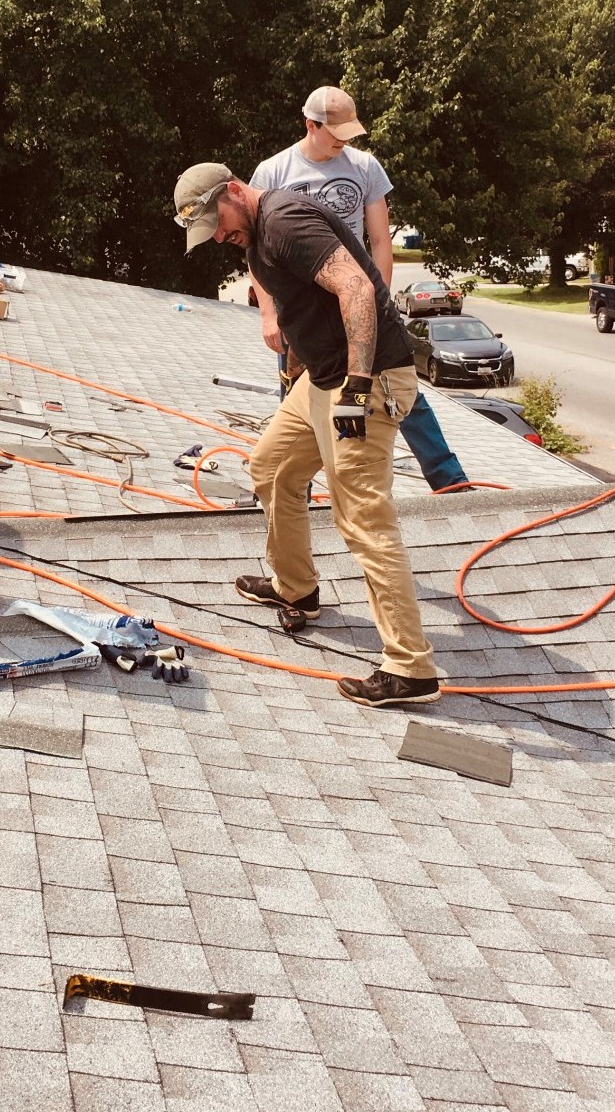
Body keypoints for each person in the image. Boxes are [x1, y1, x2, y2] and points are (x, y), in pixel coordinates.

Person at [174, 162, 441, 708]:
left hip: (366, 378)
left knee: (362, 516)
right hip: (322, 378)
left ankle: (411, 668)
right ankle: (296, 586)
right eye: (212, 234)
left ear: (233, 191)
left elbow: (358, 290)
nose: (220, 236)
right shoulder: (258, 236)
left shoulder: (286, 220)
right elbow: (306, 305)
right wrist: (301, 363)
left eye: (218, 223)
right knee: (270, 467)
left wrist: (358, 387)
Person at [250, 85, 469, 492]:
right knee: (298, 394)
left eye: (350, 133)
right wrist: (268, 313)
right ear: (310, 125)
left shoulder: (365, 167)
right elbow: (255, 251)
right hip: (303, 308)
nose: (345, 142)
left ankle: (448, 480)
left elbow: (381, 241)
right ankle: (294, 485)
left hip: (356, 297)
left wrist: (380, 301)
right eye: (336, 134)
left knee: (395, 387)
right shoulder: (274, 173)